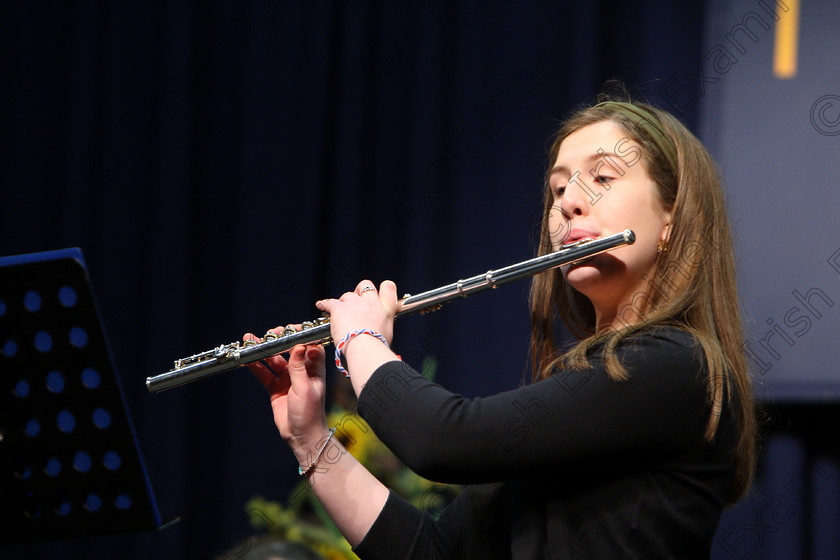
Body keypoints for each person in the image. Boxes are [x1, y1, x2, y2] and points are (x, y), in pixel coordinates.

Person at [246, 94, 757, 559]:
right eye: (559, 188)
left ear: (672, 219)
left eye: (602, 178)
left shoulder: (676, 363)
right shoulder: (588, 385)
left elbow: (445, 442)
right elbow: (435, 553)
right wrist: (311, 440)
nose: (568, 203)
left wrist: (361, 340)